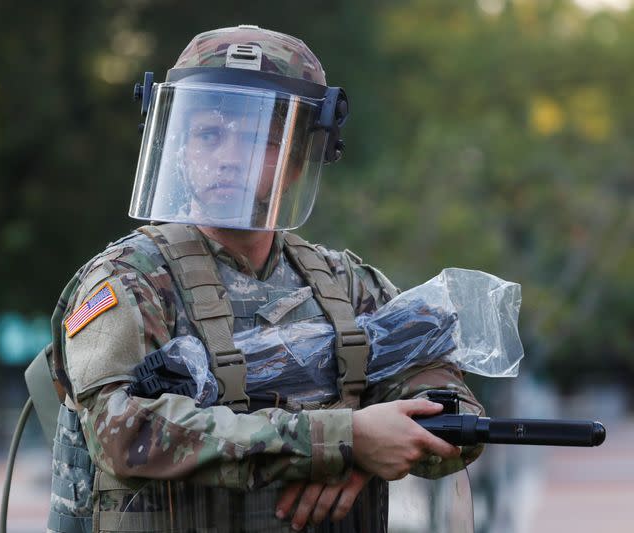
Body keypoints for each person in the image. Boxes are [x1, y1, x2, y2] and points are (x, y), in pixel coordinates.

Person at [46, 25, 484, 533]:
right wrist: (342, 441)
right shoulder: (128, 283)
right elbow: (123, 434)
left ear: (300, 157)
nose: (231, 157)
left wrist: (369, 455)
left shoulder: (346, 285)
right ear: (180, 149)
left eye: (259, 138)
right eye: (209, 134)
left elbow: (457, 413)